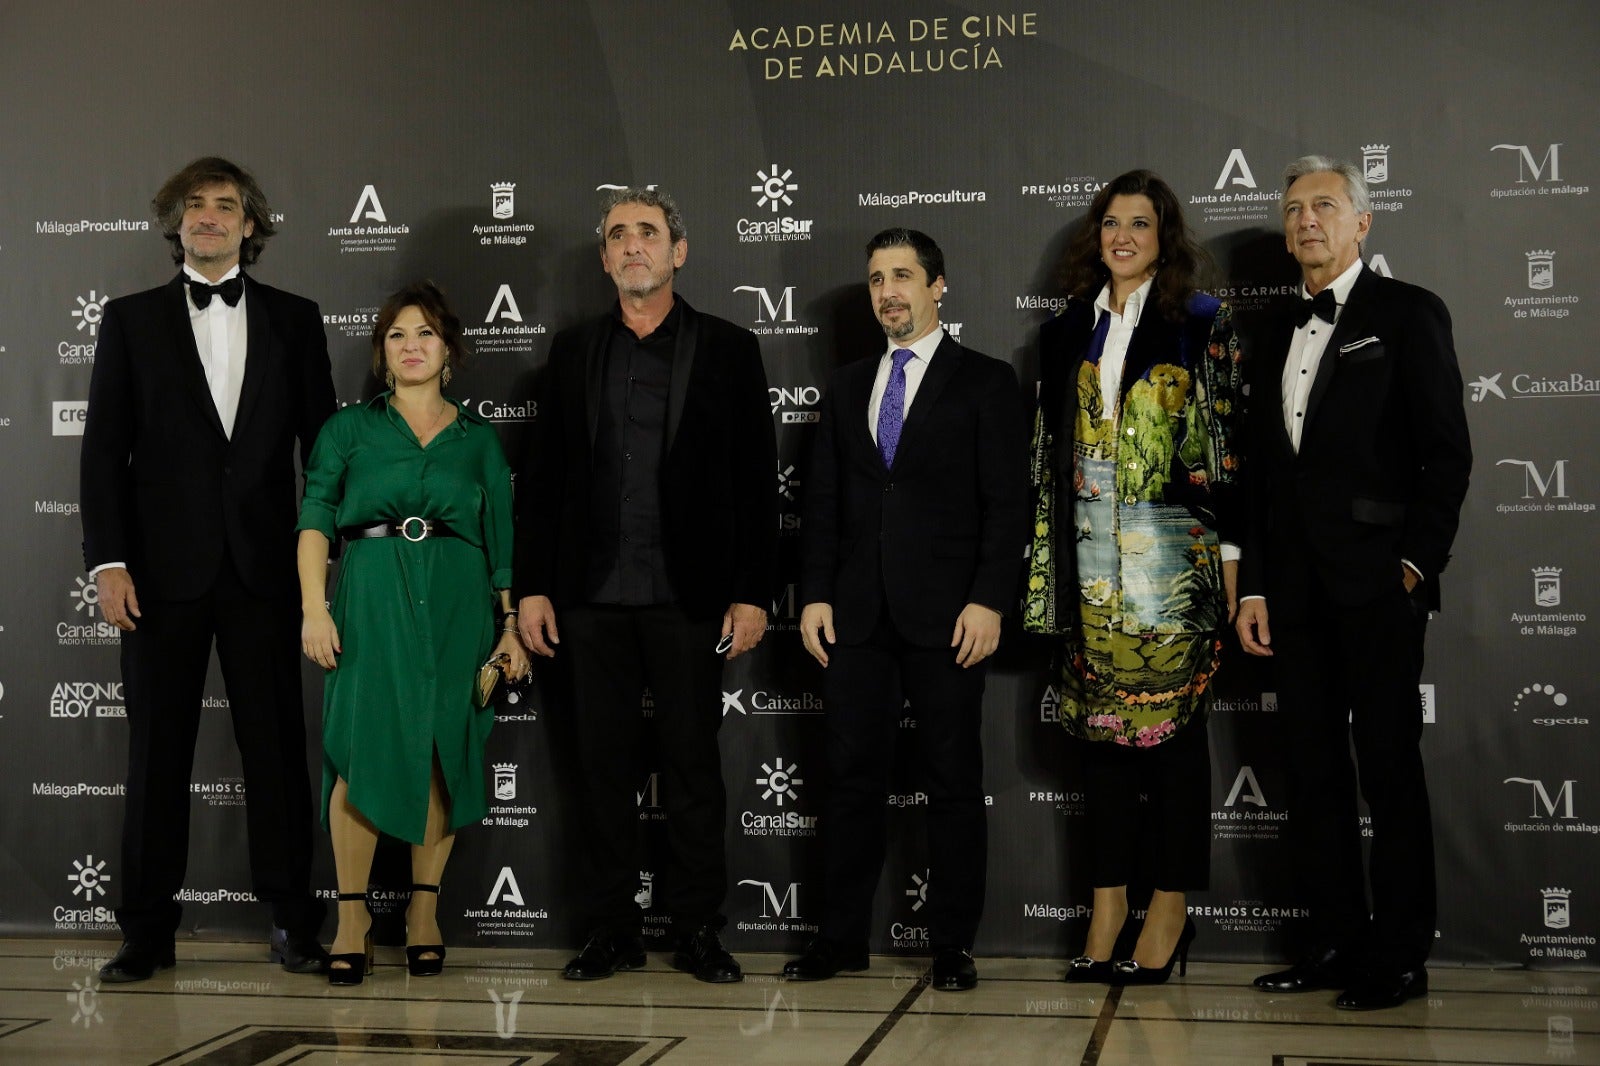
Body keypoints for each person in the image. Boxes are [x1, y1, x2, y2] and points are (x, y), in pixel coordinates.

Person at [79, 157, 335, 982]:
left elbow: (323, 453)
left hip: (266, 572)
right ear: (175, 222)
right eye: (194, 206)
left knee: (277, 754)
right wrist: (109, 562)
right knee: (156, 756)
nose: (209, 217)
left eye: (226, 206)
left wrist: (321, 564)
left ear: (251, 225)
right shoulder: (129, 320)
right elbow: (101, 452)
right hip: (158, 575)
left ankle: (296, 921)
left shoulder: (298, 320)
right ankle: (146, 931)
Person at [514, 187, 776, 984]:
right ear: (603, 258)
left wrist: (754, 591)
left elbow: (756, 481)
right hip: (589, 600)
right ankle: (611, 931)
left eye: (649, 234)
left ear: (678, 251)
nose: (634, 246)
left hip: (688, 598)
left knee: (694, 770)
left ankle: (699, 929)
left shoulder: (729, 348)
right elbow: (545, 479)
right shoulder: (573, 351)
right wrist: (530, 588)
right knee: (600, 773)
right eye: (619, 236)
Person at [1238, 156, 1471, 1011]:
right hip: (1291, 597)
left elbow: (1446, 451)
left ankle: (1400, 954)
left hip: (1378, 585)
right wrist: (1253, 588)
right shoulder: (1273, 330)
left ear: (1362, 223)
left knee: (1387, 769)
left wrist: (1415, 565)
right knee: (1311, 773)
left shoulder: (1408, 314)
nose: (1307, 221)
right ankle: (1331, 941)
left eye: (1325, 206)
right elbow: (1262, 480)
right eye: (1295, 209)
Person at [784, 228, 1028, 992]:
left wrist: (990, 598)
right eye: (876, 279)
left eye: (903, 276)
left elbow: (1009, 506)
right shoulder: (848, 383)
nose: (888, 291)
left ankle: (953, 944)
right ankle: (839, 939)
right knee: (851, 781)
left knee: (952, 782)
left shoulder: (986, 382)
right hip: (855, 617)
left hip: (950, 615)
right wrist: (814, 593)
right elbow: (822, 503)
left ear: (938, 286)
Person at [1026, 170, 1244, 986]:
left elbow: (1226, 454)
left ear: (1165, 236)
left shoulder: (1200, 321)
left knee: (1176, 746)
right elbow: (1046, 459)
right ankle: (1107, 902)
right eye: (1111, 222)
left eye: (1140, 224)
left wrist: (1230, 563)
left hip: (1174, 563)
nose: (1123, 236)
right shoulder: (1063, 332)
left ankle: (1169, 907)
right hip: (1087, 563)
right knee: (1099, 746)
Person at [296, 281, 527, 985]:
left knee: (441, 748)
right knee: (361, 752)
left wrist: (510, 625)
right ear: (381, 352)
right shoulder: (348, 430)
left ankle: (425, 913)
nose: (412, 346)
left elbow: (502, 538)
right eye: (398, 335)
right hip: (370, 598)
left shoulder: (478, 438)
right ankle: (354, 917)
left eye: (425, 333)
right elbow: (314, 518)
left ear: (448, 349)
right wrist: (314, 606)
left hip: (459, 603)